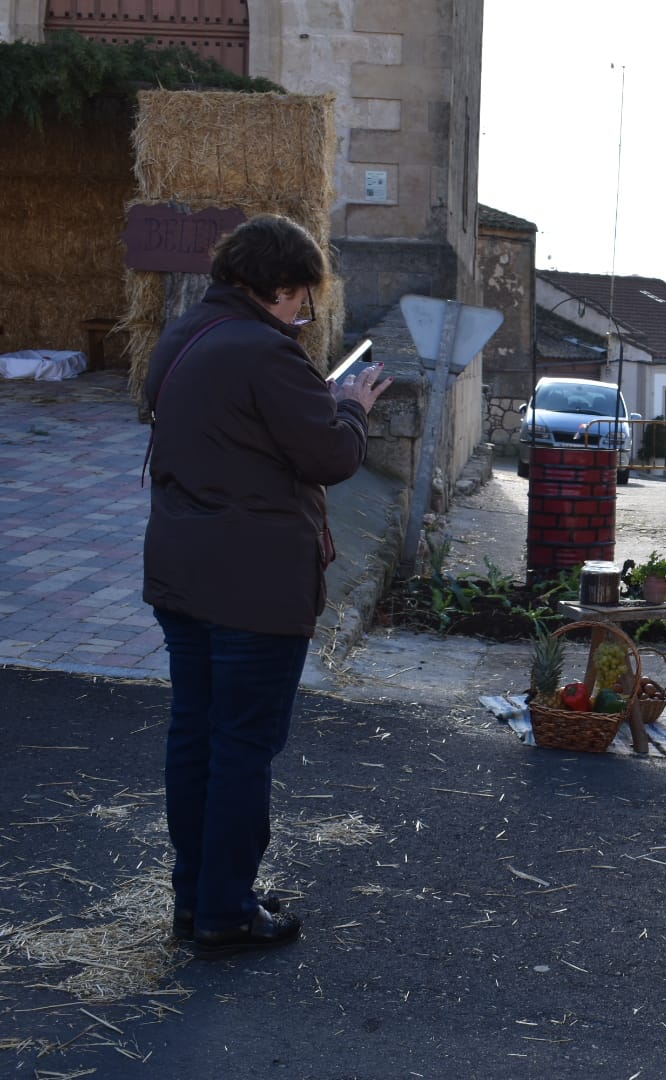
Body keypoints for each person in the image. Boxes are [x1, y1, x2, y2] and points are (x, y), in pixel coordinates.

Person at [143, 214, 392, 957]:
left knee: (195, 739)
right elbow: (328, 457)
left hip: (182, 571)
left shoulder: (182, 336)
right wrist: (351, 407)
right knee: (242, 747)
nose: (303, 315)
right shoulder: (266, 352)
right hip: (253, 583)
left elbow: (238, 432)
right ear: (279, 287)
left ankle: (197, 898)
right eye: (302, 302)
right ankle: (226, 908)